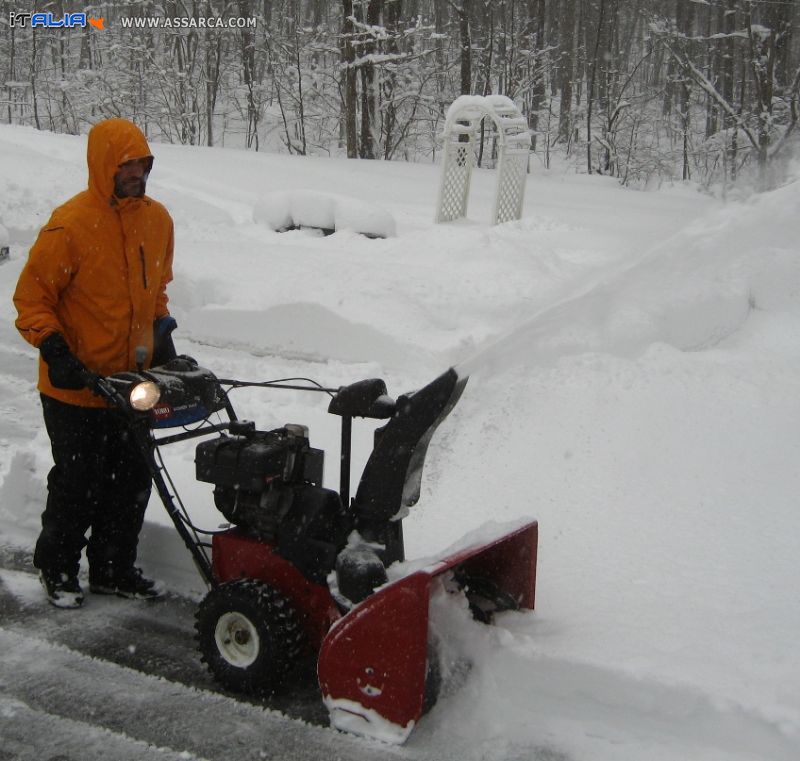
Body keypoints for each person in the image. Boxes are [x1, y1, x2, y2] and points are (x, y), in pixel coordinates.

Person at [13, 118, 179, 608]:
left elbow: (156, 293)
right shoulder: (70, 224)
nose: (136, 172)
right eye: (126, 163)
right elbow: (31, 299)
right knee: (78, 484)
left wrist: (164, 336)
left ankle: (112, 569)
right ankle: (58, 568)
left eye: (142, 163)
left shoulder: (157, 220)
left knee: (131, 480)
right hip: (74, 386)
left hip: (131, 384)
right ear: (104, 164)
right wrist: (53, 348)